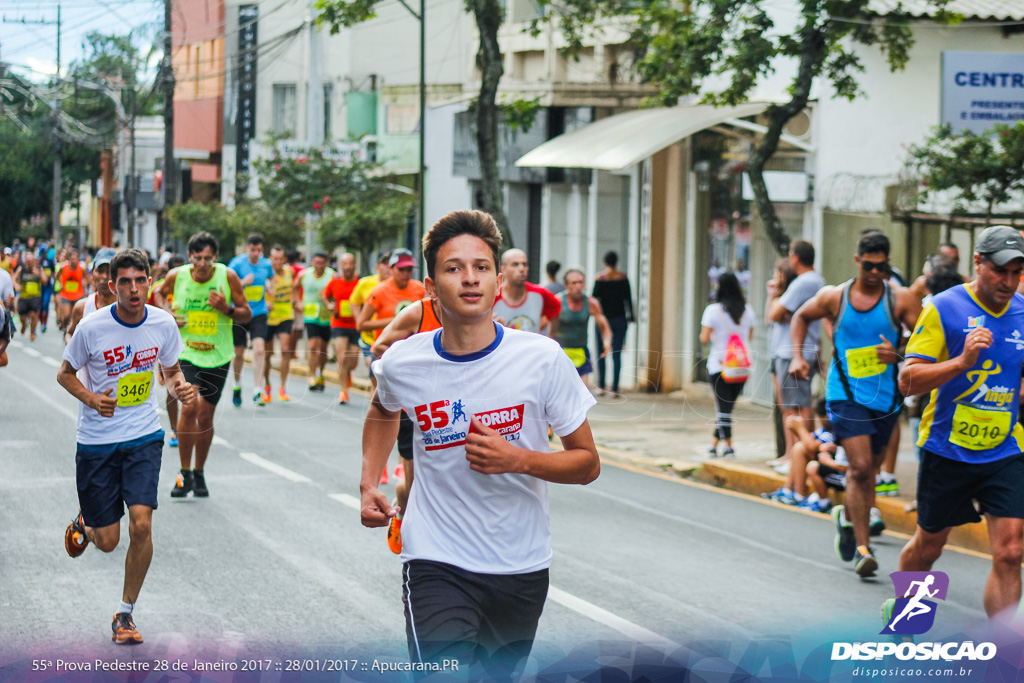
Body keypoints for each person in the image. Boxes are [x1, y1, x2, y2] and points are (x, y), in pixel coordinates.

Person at [360, 209, 600, 677]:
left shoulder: (542, 360)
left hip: (521, 564)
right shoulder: (404, 362)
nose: (469, 279)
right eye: (454, 268)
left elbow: (587, 462)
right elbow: (383, 409)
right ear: (431, 288)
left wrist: (521, 459)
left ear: (495, 282)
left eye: (481, 267)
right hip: (435, 558)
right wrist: (369, 480)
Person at [57, 248, 197, 644]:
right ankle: (87, 523)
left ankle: (125, 613)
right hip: (98, 441)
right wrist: (91, 399)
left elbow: (170, 370)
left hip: (143, 436)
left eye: (140, 281)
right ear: (111, 285)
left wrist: (178, 387)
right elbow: (64, 374)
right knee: (107, 542)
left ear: (150, 282)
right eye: (125, 282)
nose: (134, 289)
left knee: (141, 522)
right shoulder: (92, 327)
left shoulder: (163, 323)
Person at [896, 225, 1024, 618]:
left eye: (1017, 272)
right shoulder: (944, 307)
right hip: (946, 448)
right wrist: (961, 362)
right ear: (978, 263)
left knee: (1011, 550)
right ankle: (908, 619)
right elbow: (907, 381)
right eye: (1000, 270)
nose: (1008, 281)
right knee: (930, 546)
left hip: (1005, 448)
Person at [790, 231, 921, 578]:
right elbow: (801, 317)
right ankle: (864, 549)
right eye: (869, 265)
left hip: (886, 396)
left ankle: (847, 518)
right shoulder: (836, 296)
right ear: (857, 260)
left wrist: (898, 352)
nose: (875, 272)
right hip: (844, 392)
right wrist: (797, 358)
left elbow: (929, 343)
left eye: (882, 266)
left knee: (871, 471)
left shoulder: (901, 300)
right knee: (861, 467)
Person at [157, 232, 251, 498]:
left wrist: (226, 308)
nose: (202, 264)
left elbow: (246, 313)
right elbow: (159, 294)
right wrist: (168, 313)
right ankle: (184, 472)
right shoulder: (178, 276)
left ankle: (199, 472)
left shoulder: (227, 276)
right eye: (197, 258)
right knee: (189, 407)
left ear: (216, 258)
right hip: (186, 353)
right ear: (189, 257)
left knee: (205, 416)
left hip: (218, 355)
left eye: (207, 259)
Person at [371, 295, 444, 554]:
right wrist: (417, 369)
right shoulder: (418, 313)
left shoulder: (474, 312)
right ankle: (406, 523)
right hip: (412, 411)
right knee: (414, 489)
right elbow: (380, 346)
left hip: (451, 410)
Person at [768, 240, 825, 459]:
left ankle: (799, 454)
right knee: (790, 406)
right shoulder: (813, 281)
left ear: (795, 258)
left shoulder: (805, 282)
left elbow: (775, 313)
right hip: (792, 352)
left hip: (794, 354)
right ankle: (792, 454)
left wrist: (776, 297)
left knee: (797, 407)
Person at [700, 271, 755, 457]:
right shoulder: (748, 310)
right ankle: (713, 445)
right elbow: (750, 337)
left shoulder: (712, 311)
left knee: (723, 408)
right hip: (742, 366)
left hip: (719, 365)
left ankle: (729, 447)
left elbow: (704, 338)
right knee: (727, 407)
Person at [228, 234, 275, 407]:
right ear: (247, 248)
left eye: (259, 250)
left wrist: (269, 286)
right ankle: (237, 384)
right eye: (253, 250)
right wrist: (242, 283)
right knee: (238, 353)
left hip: (259, 312)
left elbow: (270, 278)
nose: (256, 253)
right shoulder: (236, 264)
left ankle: (257, 390)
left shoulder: (266, 264)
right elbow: (227, 286)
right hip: (241, 312)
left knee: (259, 349)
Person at [554, 268, 612, 387]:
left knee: (583, 394)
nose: (578, 286)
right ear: (566, 285)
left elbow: (604, 326)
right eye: (574, 283)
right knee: (562, 392)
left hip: (580, 352)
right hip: (561, 352)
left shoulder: (591, 303)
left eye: (581, 282)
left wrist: (607, 341)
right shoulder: (558, 302)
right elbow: (544, 325)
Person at [321, 253, 361, 404]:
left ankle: (348, 373)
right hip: (339, 324)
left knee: (353, 362)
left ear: (354, 265)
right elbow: (324, 296)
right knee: (342, 358)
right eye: (345, 264)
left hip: (356, 325)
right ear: (340, 266)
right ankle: (343, 391)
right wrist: (329, 305)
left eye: (351, 263)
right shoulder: (334, 282)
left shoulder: (360, 282)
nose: (348, 267)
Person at [592, 251, 634, 396]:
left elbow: (594, 298)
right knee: (617, 353)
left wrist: (595, 315)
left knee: (601, 352)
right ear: (616, 262)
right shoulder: (623, 278)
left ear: (604, 262)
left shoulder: (600, 278)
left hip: (603, 319)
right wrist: (631, 317)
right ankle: (615, 388)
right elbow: (628, 299)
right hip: (620, 319)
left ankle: (602, 386)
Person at [492, 248, 561, 336]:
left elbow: (556, 308)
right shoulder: (493, 296)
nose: (522, 269)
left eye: (524, 264)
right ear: (503, 269)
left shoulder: (539, 293)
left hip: (533, 349)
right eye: (515, 264)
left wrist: (550, 337)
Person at [263, 245, 299, 402]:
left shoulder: (290, 272)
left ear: (284, 259)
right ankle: (267, 385)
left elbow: (295, 288)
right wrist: (265, 303)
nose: (277, 262)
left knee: (286, 349)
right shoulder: (266, 275)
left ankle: (283, 387)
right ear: (270, 259)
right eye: (274, 259)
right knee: (267, 354)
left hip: (286, 314)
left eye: (279, 259)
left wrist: (296, 301)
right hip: (269, 317)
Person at [296, 252, 336, 392]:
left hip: (326, 316)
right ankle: (311, 375)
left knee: (323, 348)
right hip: (310, 314)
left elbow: (337, 292)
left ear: (326, 264)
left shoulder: (332, 275)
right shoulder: (304, 275)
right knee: (313, 345)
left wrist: (333, 304)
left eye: (322, 263)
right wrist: (297, 302)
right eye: (316, 263)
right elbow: (295, 288)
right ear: (312, 263)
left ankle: (320, 373)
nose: (319, 266)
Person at [350, 250, 392, 372]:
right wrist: (359, 319)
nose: (388, 268)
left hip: (393, 337)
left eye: (391, 264)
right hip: (370, 337)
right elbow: (354, 301)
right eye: (384, 263)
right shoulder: (365, 283)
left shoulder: (402, 287)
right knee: (373, 369)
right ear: (377, 267)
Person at [66, 248, 118, 339]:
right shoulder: (82, 307)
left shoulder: (128, 308)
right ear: (92, 273)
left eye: (110, 272)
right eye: (100, 271)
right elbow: (70, 334)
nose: (104, 277)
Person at [14, 251, 48, 341]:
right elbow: (13, 279)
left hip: (35, 297)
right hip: (24, 297)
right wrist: (16, 285)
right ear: (25, 261)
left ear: (34, 261)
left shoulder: (39, 269)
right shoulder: (21, 269)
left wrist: (39, 274)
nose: (30, 263)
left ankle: (32, 332)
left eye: (31, 261)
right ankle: (24, 325)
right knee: (22, 317)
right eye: (28, 261)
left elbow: (45, 282)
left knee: (34, 314)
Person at [57, 249, 88, 333]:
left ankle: (73, 331)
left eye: (75, 259)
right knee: (67, 315)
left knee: (76, 316)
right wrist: (60, 283)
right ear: (69, 259)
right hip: (66, 294)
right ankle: (64, 327)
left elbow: (88, 279)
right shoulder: (63, 267)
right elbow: (57, 276)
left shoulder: (82, 268)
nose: (74, 261)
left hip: (78, 294)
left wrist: (85, 282)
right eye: (72, 259)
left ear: (78, 259)